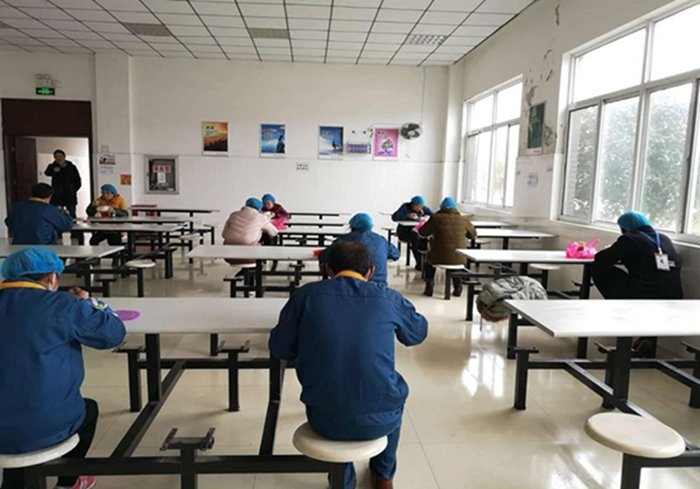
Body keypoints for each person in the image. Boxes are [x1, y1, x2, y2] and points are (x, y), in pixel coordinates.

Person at [269, 241, 428, 489]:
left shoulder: (305, 296)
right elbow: (416, 334)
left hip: (323, 418)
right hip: (383, 419)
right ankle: (383, 476)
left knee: (339, 392)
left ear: (328, 269)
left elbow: (280, 348)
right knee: (391, 394)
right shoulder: (388, 298)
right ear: (371, 271)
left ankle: (343, 481)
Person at [0, 248, 126, 489]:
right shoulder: (64, 305)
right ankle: (69, 481)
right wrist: (89, 303)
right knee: (87, 410)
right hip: (40, 424)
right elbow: (112, 334)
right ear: (51, 277)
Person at [593, 211, 683, 358]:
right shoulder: (664, 238)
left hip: (643, 294)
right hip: (673, 295)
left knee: (598, 269)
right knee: (650, 282)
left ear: (624, 229)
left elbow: (601, 258)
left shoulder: (629, 239)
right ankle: (647, 337)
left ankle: (620, 309)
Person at [418, 197, 477, 297]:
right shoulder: (464, 219)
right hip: (460, 257)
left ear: (441, 207)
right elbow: (473, 235)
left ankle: (429, 287)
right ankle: (458, 287)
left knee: (429, 261)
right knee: (454, 258)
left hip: (439, 256)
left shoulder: (435, 218)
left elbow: (422, 233)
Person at [319, 213, 400, 286]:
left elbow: (323, 257)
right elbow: (396, 255)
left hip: (346, 285)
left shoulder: (342, 240)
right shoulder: (381, 240)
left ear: (351, 226)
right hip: (379, 285)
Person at [5, 183, 74, 245]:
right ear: (49, 196)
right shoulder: (50, 209)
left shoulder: (17, 206)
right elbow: (67, 225)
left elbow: (8, 222)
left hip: (18, 247)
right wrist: (65, 213)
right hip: (44, 247)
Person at [222, 198, 279, 264]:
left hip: (228, 255)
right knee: (264, 239)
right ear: (259, 209)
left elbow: (223, 234)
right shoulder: (260, 217)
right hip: (249, 256)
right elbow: (274, 232)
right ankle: (261, 266)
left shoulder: (233, 215)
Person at [391, 196, 433, 270]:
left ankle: (424, 261)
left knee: (424, 238)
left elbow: (433, 216)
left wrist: (427, 218)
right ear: (413, 205)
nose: (421, 208)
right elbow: (394, 217)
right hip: (405, 232)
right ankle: (419, 262)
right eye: (419, 206)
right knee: (415, 239)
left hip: (418, 231)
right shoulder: (405, 207)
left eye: (421, 206)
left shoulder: (423, 209)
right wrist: (407, 216)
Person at [44, 150, 81, 219]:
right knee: (54, 213)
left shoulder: (71, 167)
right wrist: (53, 170)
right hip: (57, 193)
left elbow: (77, 180)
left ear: (64, 156)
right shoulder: (52, 166)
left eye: (60, 156)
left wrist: (73, 190)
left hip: (69, 194)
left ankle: (72, 225)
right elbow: (46, 173)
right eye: (56, 157)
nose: (59, 158)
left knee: (71, 214)